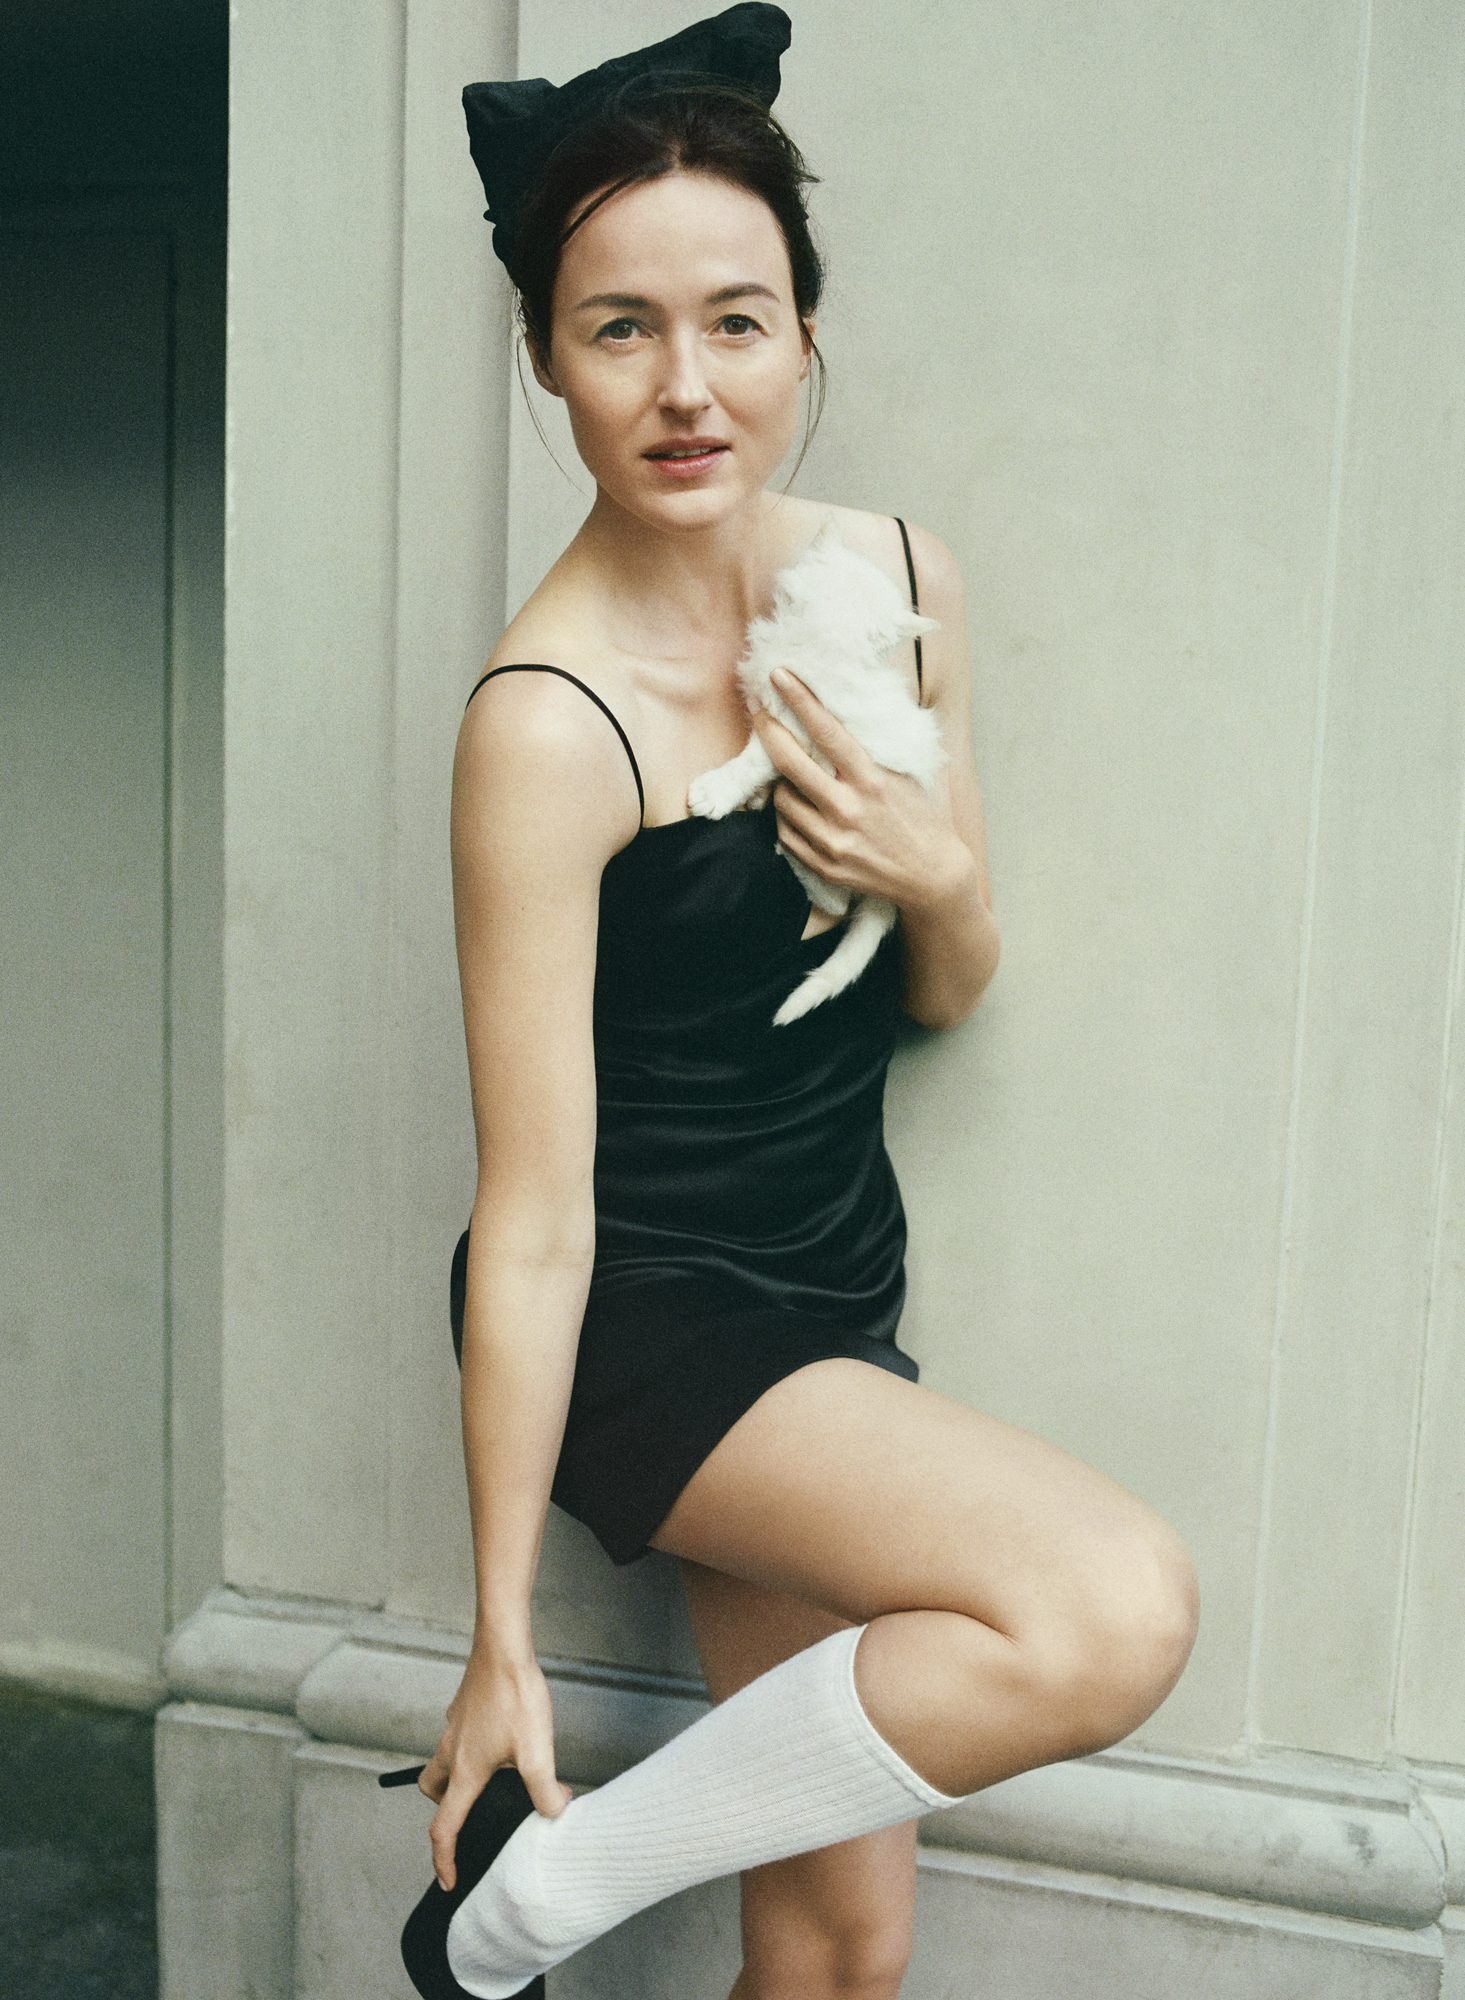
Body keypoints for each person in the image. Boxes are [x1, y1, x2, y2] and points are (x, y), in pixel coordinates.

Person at [393, 9, 1198, 1997]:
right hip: (645, 1316)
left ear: (807, 337)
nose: (687, 388)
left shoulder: (897, 579)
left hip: (829, 1284)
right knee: (1108, 1608)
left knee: (841, 1949)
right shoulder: (544, 723)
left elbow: (942, 986)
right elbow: (539, 1216)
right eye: (618, 331)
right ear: (545, 363)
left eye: (736, 320)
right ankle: (538, 1900)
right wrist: (500, 1632)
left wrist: (943, 878)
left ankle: (552, 1902)